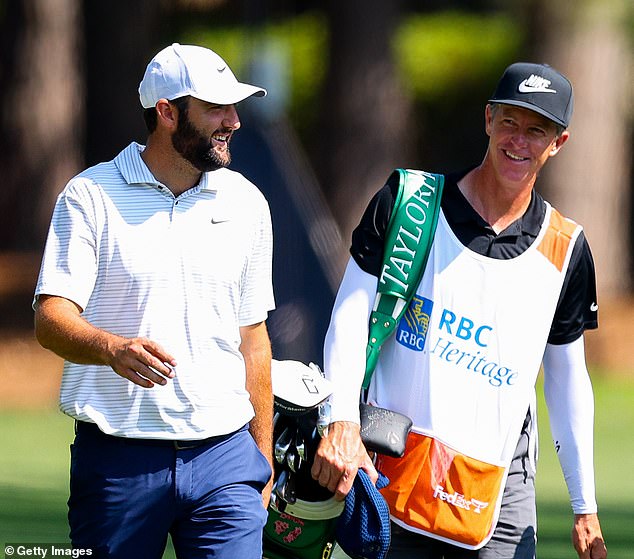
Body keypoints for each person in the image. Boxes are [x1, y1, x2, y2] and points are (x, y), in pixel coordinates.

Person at [311, 62, 608, 559]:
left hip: (498, 487)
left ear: (559, 143)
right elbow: (349, 315)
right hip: (395, 466)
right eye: (510, 121)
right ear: (488, 119)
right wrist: (339, 420)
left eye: (537, 130)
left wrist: (585, 506)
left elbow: (567, 378)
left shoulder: (566, 249)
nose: (519, 140)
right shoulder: (409, 201)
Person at [33, 43, 275, 559]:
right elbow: (50, 318)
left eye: (234, 107)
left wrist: (263, 456)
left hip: (226, 460)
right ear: (167, 113)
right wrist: (110, 348)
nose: (233, 120)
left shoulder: (247, 203)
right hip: (118, 459)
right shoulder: (89, 195)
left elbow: (253, 340)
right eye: (215, 108)